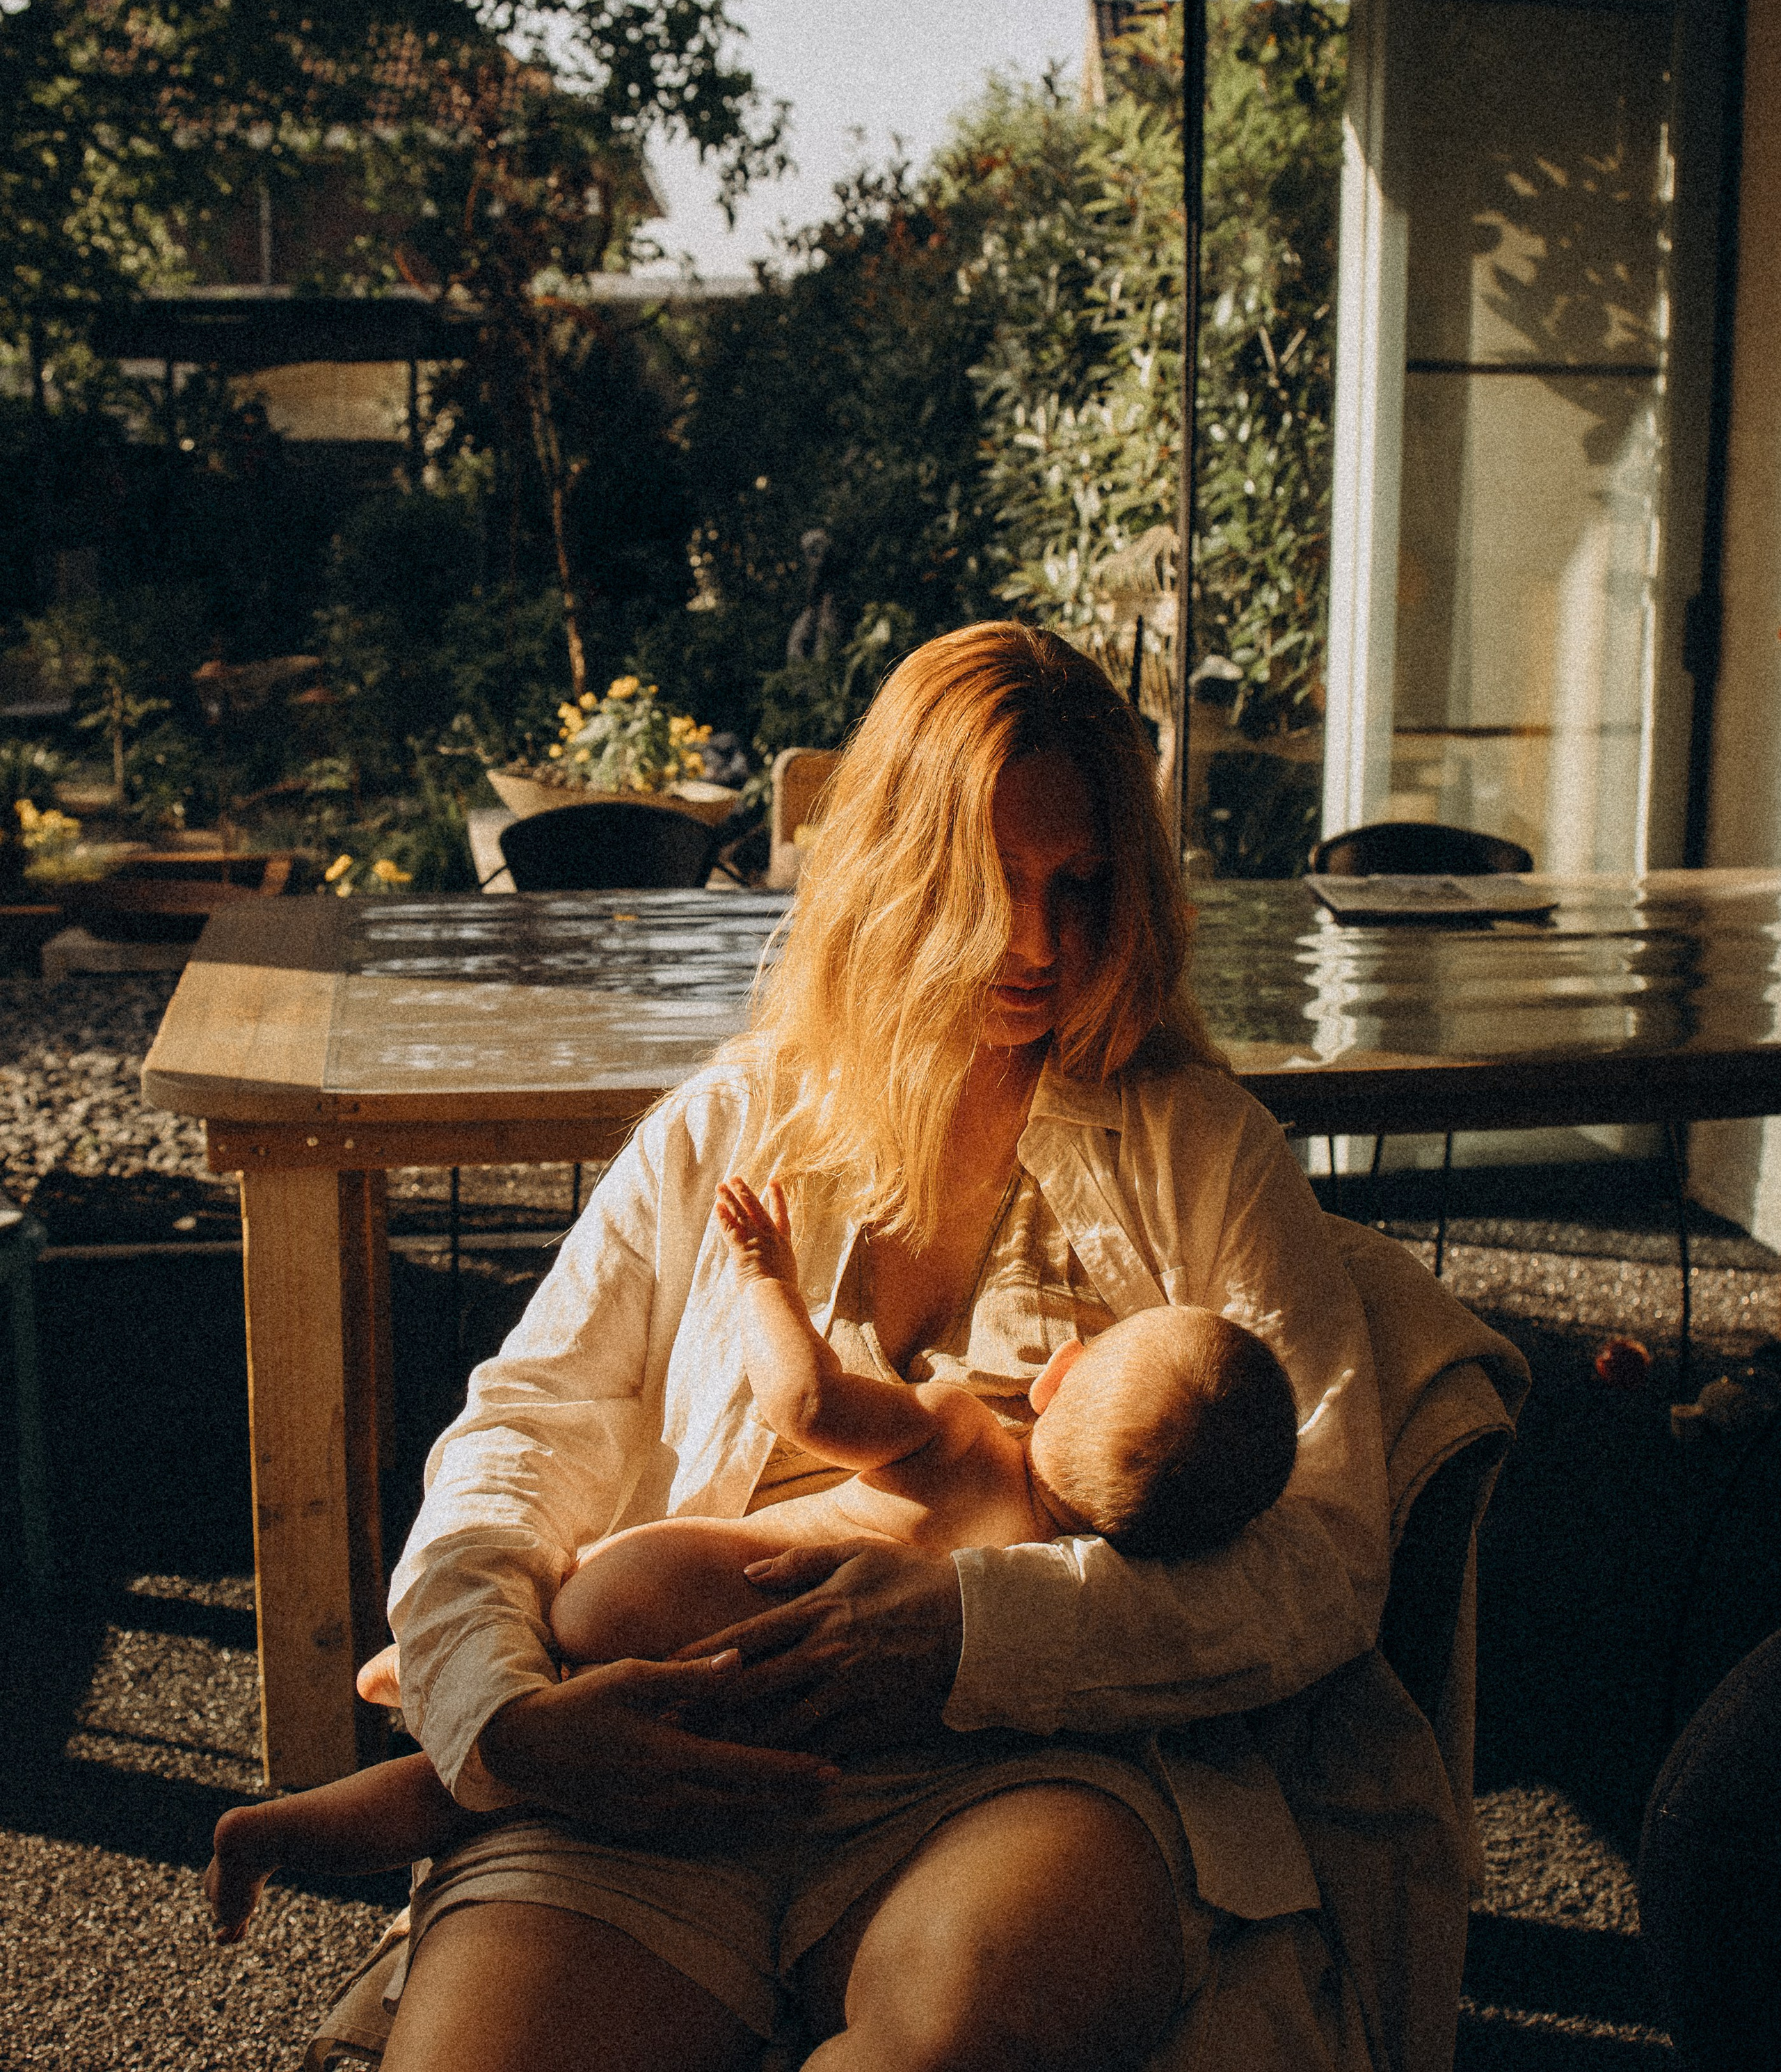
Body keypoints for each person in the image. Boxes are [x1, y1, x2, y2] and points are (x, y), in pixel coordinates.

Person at [328, 621, 1397, 2072]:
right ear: (897, 876)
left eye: (1077, 890)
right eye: (991, 887)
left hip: (1032, 1771)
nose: (1034, 943)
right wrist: (501, 1718)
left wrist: (974, 1637)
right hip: (681, 1746)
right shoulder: (732, 1123)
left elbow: (1322, 1556)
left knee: (966, 2030)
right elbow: (523, 1434)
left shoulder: (1197, 1150)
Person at [208, 1174, 1298, 1942]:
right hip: (731, 1698)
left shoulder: (959, 1433)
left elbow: (805, 1399)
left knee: (507, 1754)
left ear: (1057, 1377)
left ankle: (433, 1687)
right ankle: (271, 1835)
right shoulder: (1051, 1588)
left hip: (643, 1590)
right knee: (457, 1796)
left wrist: (763, 1274)